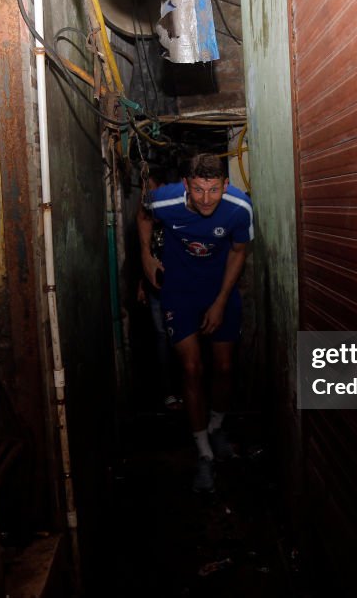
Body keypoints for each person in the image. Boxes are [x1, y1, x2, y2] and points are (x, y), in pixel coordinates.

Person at [137, 152, 253, 492]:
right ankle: (202, 449)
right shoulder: (165, 199)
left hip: (221, 291)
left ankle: (216, 427)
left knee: (225, 367)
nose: (206, 199)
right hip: (179, 293)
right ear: (187, 185)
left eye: (214, 190)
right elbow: (143, 214)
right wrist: (145, 255)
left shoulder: (240, 207)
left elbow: (239, 252)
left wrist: (219, 302)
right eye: (199, 190)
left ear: (225, 185)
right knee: (191, 369)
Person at [135, 166, 182, 411]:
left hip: (182, 285)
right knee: (162, 336)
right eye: (144, 190)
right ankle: (168, 392)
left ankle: (187, 388)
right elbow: (145, 253)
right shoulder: (147, 217)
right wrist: (142, 282)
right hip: (157, 285)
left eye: (150, 189)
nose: (147, 195)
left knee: (183, 335)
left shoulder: (180, 211)